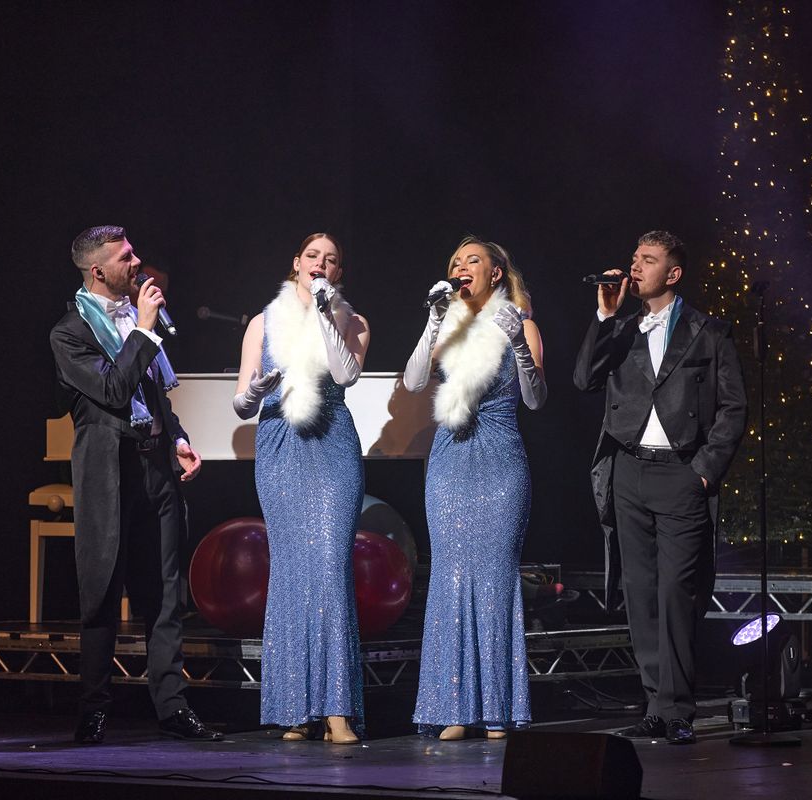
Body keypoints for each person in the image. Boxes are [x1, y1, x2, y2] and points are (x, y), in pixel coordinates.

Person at [573, 230, 746, 745]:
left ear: (672, 273)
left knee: (676, 593)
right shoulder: (622, 329)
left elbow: (734, 409)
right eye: (635, 258)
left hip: (681, 473)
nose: (635, 267)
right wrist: (604, 316)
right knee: (641, 592)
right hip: (628, 471)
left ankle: (678, 709)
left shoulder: (708, 332)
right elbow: (584, 379)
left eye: (647, 260)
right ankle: (656, 703)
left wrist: (704, 471)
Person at [51, 225, 221, 744]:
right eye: (126, 257)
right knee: (101, 593)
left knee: (167, 594)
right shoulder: (70, 333)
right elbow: (113, 388)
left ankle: (172, 707)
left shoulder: (132, 320)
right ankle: (95, 707)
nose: (137, 261)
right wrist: (143, 331)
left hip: (155, 469)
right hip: (111, 473)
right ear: (98, 270)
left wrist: (179, 439)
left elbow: (155, 401)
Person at [404, 236, 546, 740]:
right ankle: (454, 705)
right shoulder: (448, 321)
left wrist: (521, 348)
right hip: (449, 461)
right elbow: (414, 380)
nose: (462, 267)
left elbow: (535, 399)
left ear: (496, 274)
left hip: (501, 459)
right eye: (455, 262)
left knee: (494, 577)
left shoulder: (519, 322)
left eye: (472, 260)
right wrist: (432, 321)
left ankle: (497, 707)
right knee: (451, 576)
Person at [232, 233, 370, 744]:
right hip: (279, 446)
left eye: (331, 260)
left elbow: (344, 374)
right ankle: (295, 708)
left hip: (332, 444)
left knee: (331, 569)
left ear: (338, 274)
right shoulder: (262, 323)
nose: (320, 264)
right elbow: (241, 406)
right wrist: (255, 391)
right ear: (295, 263)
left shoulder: (353, 322)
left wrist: (327, 315)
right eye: (313, 256)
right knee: (291, 573)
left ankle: (337, 709)